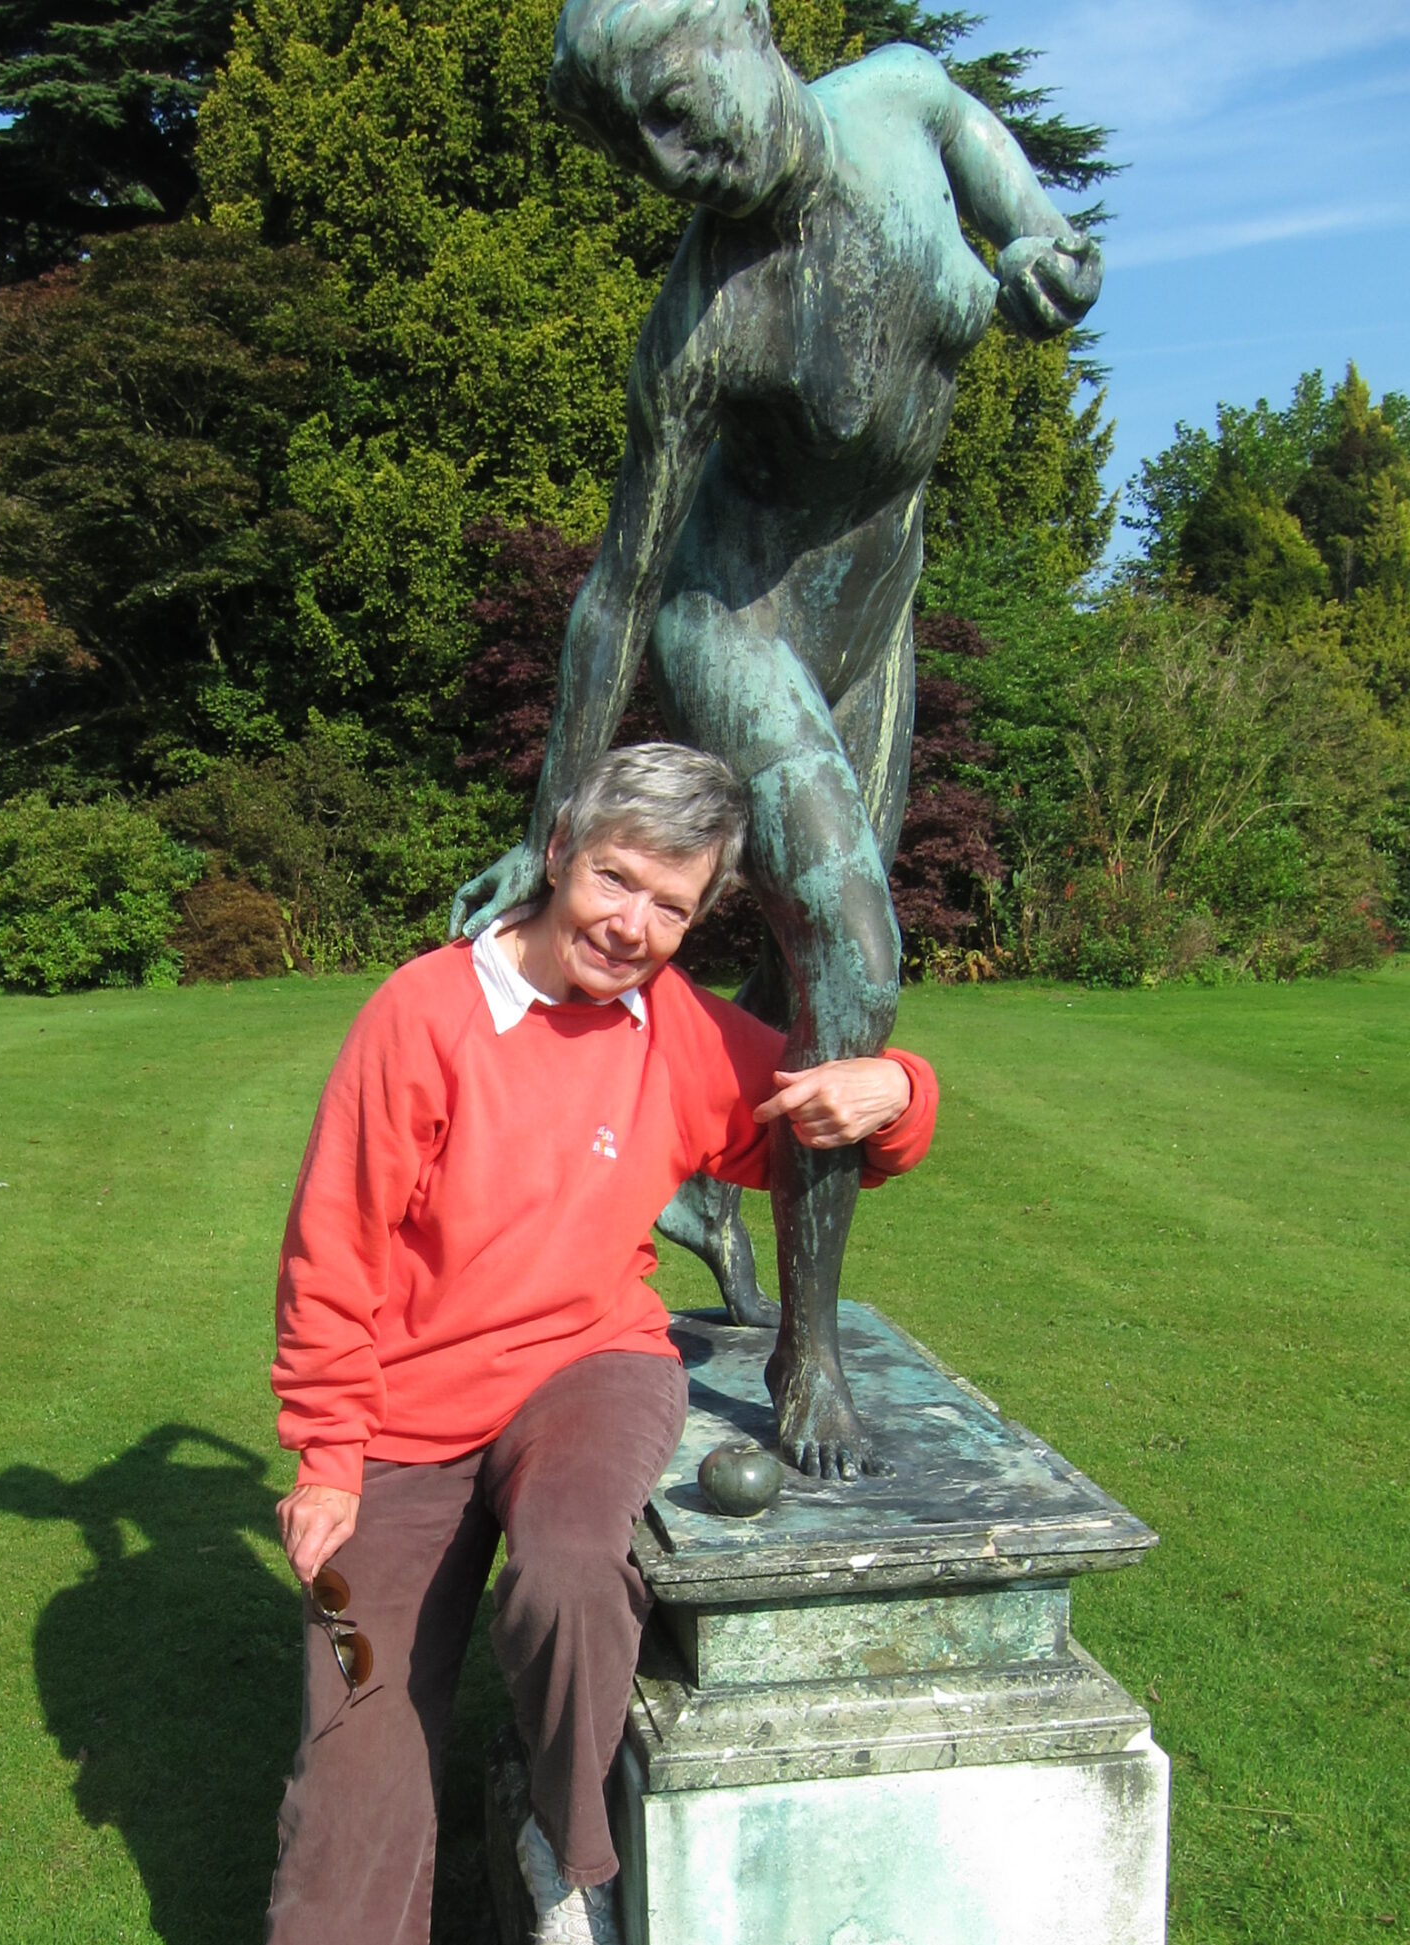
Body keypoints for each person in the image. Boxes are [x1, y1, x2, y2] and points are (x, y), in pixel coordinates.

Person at [193, 743, 939, 1945]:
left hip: (590, 1369)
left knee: (573, 1560)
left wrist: (901, 1091)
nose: (633, 925)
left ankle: (564, 1854)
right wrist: (326, 1459)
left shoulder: (676, 1029)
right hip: (400, 1425)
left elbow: (815, 1121)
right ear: (558, 854)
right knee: (352, 1736)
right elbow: (334, 1250)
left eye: (672, 904)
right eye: (616, 879)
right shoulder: (424, 1015)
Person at [450, 0, 1100, 1478]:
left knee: (794, 970)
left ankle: (693, 1172)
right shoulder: (705, 320)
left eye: (676, 103)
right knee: (859, 951)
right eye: (636, 145)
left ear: (750, 28)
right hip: (729, 619)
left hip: (872, 615)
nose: (672, 158)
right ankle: (810, 1346)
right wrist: (554, 837)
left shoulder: (910, 101)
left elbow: (1036, 246)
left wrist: (1048, 265)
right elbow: (617, 592)